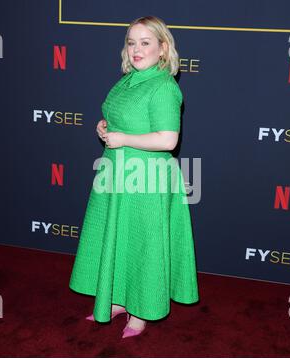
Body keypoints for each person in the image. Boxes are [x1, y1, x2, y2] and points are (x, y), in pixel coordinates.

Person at [69, 15, 199, 339]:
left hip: (146, 180)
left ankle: (141, 311)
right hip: (116, 173)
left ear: (163, 48)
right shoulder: (128, 80)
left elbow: (168, 139)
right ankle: (116, 299)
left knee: (143, 244)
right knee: (118, 237)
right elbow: (121, 118)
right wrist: (105, 127)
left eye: (145, 43)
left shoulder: (164, 87)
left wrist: (124, 139)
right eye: (132, 42)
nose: (137, 49)